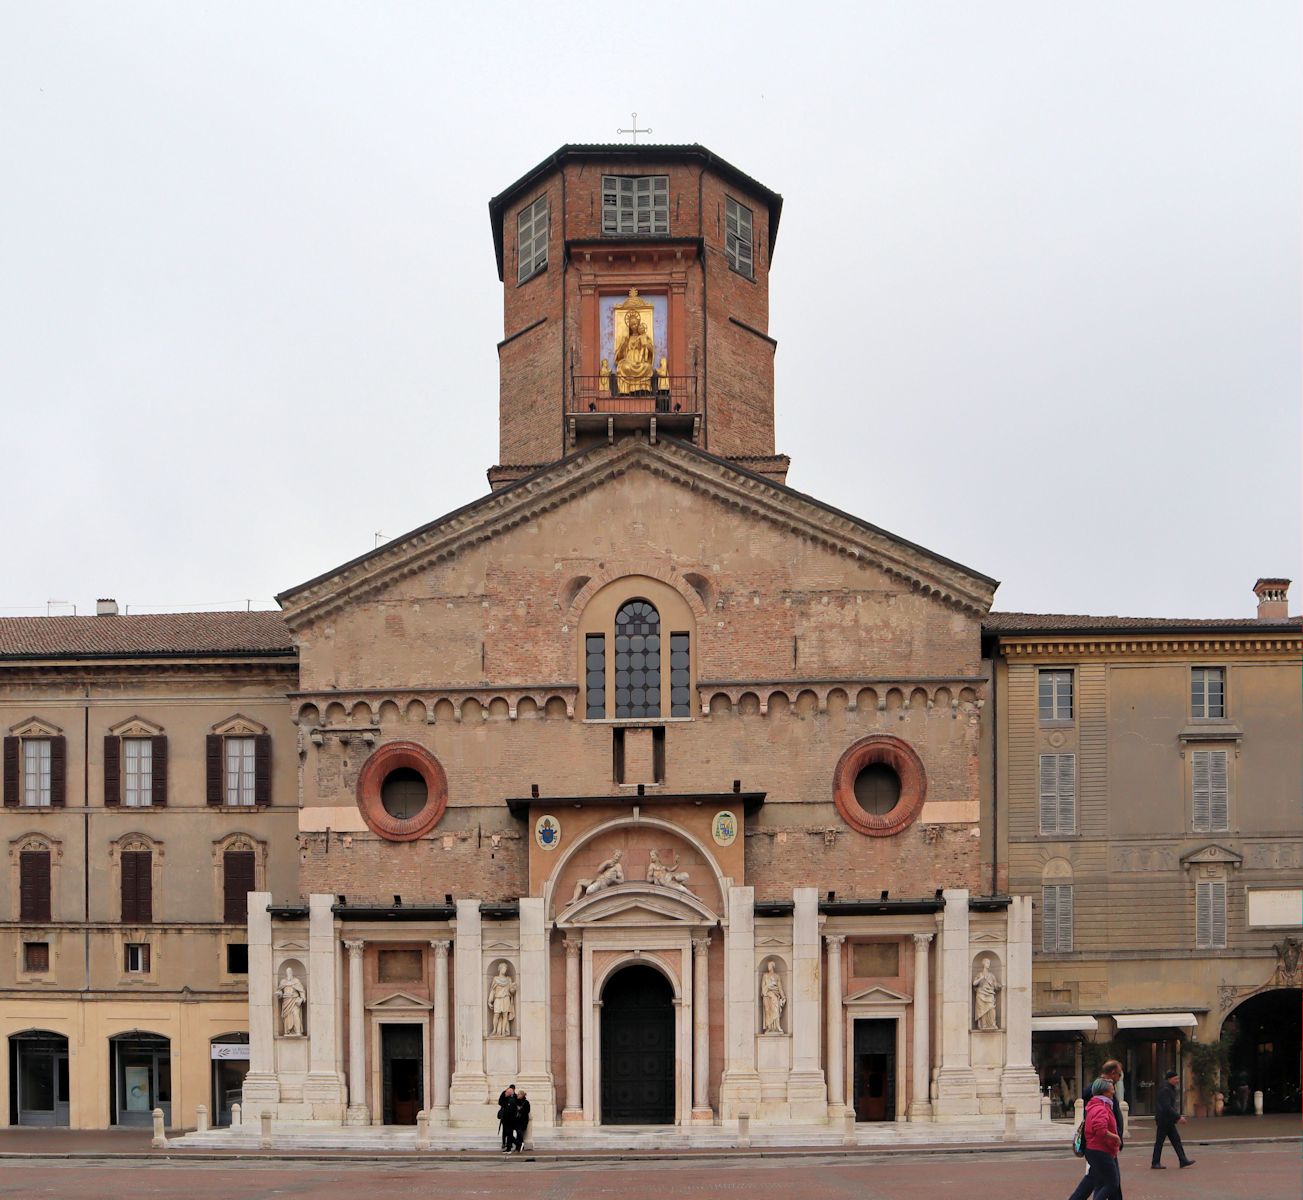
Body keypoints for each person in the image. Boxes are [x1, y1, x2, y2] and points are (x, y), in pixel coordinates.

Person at [1067, 1059, 1126, 1200]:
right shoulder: (1099, 1102)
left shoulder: (1101, 1099)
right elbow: (1100, 1129)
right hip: (1102, 1145)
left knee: (1097, 1179)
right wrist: (1115, 1137)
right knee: (1111, 1182)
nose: (1118, 1079)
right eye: (1119, 1074)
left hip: (1104, 1146)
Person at [1152, 1069, 1195, 1169]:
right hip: (1164, 1120)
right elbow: (1166, 1106)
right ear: (1169, 1079)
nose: (1177, 1081)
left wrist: (1175, 1118)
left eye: (1178, 1079)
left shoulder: (1170, 1088)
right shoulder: (1165, 1089)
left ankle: (1183, 1160)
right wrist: (1178, 1117)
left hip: (1169, 1120)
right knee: (1160, 1142)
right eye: (1175, 1079)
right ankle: (1155, 1162)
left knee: (1176, 1140)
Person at [615, 310, 654, 393]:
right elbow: (619, 356)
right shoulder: (626, 338)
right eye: (631, 324)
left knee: (647, 367)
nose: (634, 326)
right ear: (629, 326)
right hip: (629, 361)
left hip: (640, 361)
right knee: (624, 367)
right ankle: (626, 390)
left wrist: (646, 344)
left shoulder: (644, 337)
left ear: (639, 324)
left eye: (635, 324)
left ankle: (642, 388)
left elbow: (651, 351)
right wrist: (623, 345)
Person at [972, 957, 1001, 1029]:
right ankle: (983, 1025)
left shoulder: (991, 975)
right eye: (987, 963)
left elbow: (995, 985)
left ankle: (992, 1024)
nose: (988, 965)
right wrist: (981, 978)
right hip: (981, 994)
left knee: (992, 1008)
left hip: (989, 994)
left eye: (989, 963)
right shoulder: (980, 974)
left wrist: (1000, 985)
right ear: (984, 964)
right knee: (982, 1010)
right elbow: (974, 983)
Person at [760, 961, 786, 1034]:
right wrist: (768, 987)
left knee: (776, 1009)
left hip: (775, 994)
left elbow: (780, 987)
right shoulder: (765, 975)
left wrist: (783, 996)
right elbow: (763, 986)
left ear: (772, 966)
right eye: (768, 965)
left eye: (769, 965)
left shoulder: (777, 976)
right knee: (767, 1011)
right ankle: (769, 1027)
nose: (768, 967)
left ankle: (777, 1026)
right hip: (767, 995)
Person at [496, 1083, 517, 1152]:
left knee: (509, 1132)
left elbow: (513, 1108)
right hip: (505, 1117)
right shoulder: (505, 1096)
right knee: (506, 1132)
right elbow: (500, 1102)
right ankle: (507, 1145)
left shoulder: (513, 1098)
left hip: (509, 1118)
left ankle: (516, 1144)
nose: (505, 1093)